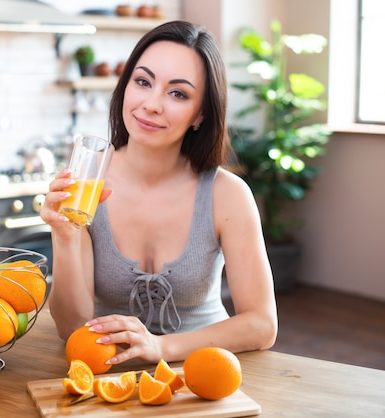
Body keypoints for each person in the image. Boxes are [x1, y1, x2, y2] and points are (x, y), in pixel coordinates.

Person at [40, 20, 277, 366]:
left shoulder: (227, 195)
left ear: (201, 114)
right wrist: (64, 237)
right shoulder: (87, 186)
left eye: (177, 93)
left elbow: (262, 325)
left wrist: (162, 347)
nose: (151, 104)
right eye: (143, 82)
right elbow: (72, 325)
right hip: (108, 375)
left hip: (203, 373)